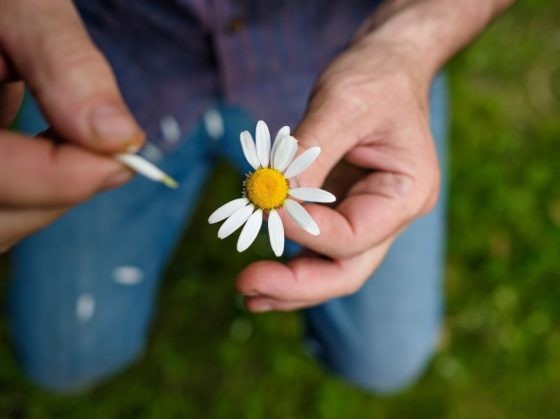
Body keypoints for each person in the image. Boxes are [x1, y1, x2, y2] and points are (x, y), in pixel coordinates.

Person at [0, 0, 514, 393]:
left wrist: (408, 45)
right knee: (63, 358)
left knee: (385, 357)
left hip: (335, 60)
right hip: (120, 62)